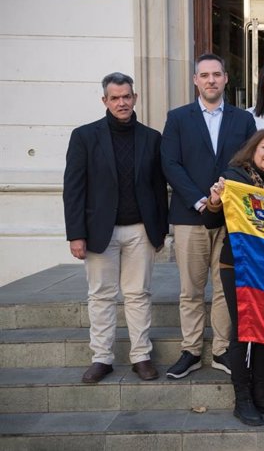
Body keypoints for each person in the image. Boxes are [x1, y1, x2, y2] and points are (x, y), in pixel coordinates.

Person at [63, 72, 168, 383]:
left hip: (140, 230)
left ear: (135, 98)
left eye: (126, 97)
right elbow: (74, 188)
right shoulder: (84, 136)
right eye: (115, 98)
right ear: (105, 101)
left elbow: (158, 188)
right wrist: (76, 234)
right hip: (98, 231)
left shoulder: (152, 138)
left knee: (138, 295)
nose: (122, 102)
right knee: (101, 296)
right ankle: (102, 358)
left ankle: (141, 356)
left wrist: (159, 231)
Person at [161, 53, 257, 379]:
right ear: (195, 80)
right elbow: (170, 164)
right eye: (205, 75)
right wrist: (201, 200)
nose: (211, 80)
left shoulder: (243, 120)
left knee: (223, 287)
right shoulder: (177, 118)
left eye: (217, 74)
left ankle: (220, 350)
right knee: (191, 288)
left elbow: (248, 163)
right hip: (191, 216)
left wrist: (226, 197)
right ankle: (190, 350)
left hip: (230, 217)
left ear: (226, 78)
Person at [203, 128, 264, 426]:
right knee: (244, 329)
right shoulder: (234, 178)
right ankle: (242, 399)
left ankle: (261, 393)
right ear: (253, 150)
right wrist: (216, 200)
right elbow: (210, 219)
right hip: (238, 265)